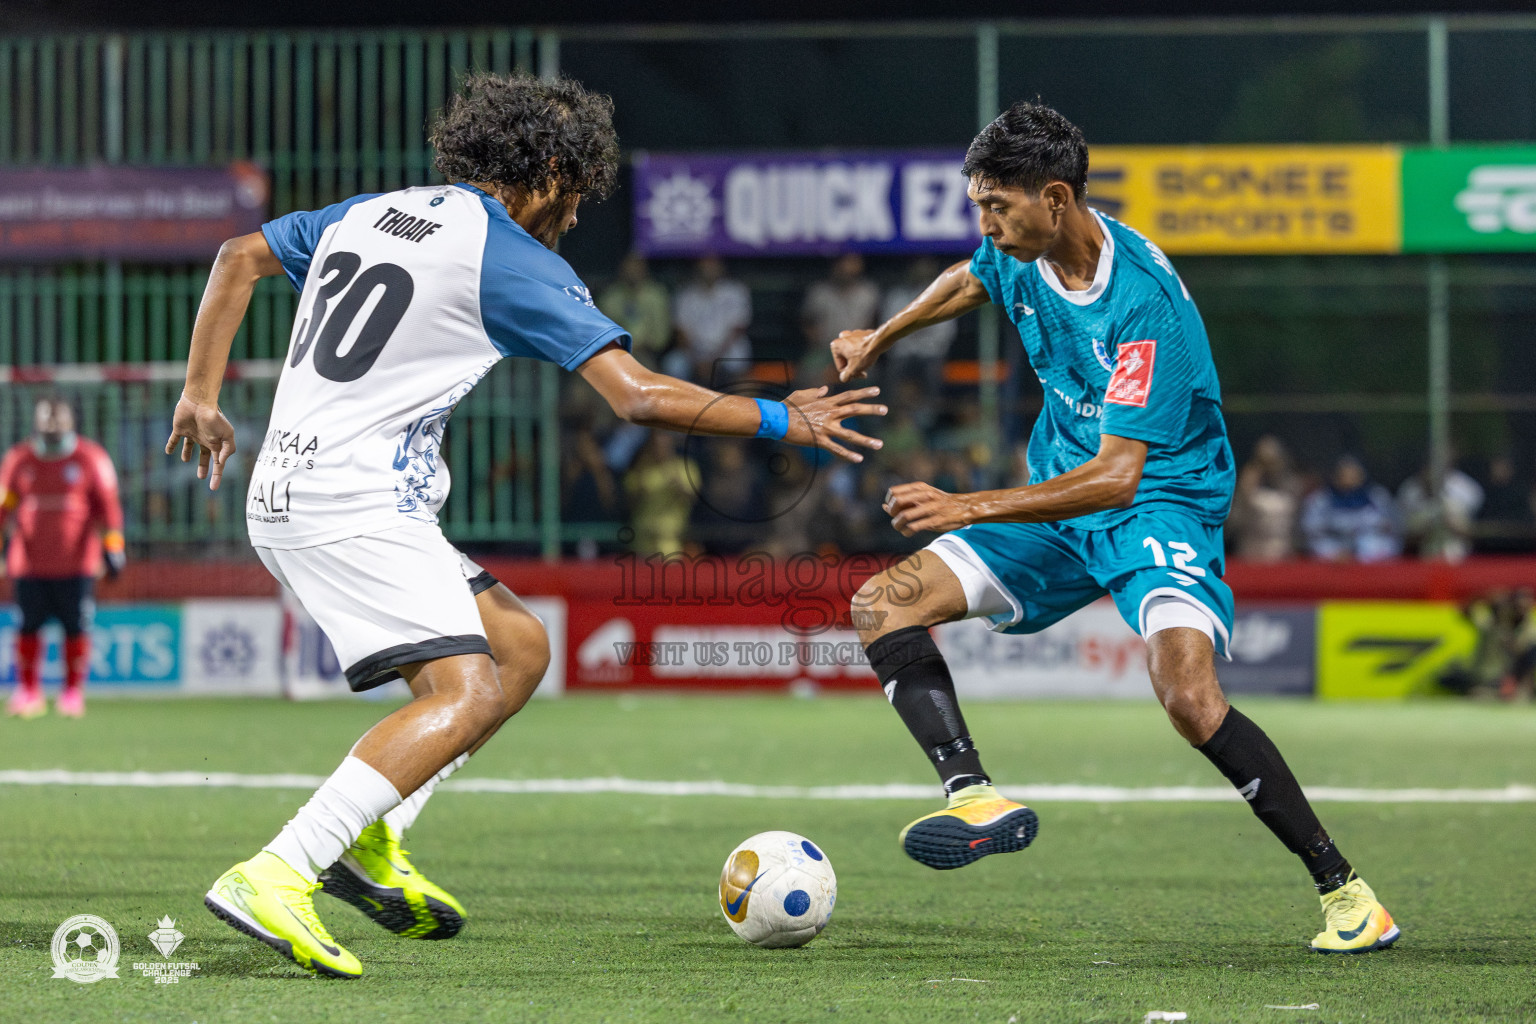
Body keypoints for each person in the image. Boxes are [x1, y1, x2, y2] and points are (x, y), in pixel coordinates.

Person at [165, 71, 886, 980]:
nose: (576, 217)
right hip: (351, 503)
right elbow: (638, 397)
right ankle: (279, 870)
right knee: (462, 694)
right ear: (547, 172)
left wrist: (200, 396)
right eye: (577, 192)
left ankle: (373, 838)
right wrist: (785, 419)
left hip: (302, 488)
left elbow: (237, 257)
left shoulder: (376, 211)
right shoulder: (508, 256)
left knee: (519, 649)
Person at [831, 101, 1397, 955]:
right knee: (883, 604)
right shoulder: (1022, 247)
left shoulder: (1141, 305)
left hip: (1157, 498)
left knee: (1188, 696)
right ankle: (973, 796)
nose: (984, 223)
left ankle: (1346, 890)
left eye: (998, 206)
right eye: (978, 204)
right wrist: (883, 333)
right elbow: (971, 275)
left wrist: (967, 505)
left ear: (1055, 198)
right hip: (1065, 489)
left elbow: (1117, 475)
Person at [0, 397, 125, 719]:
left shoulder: (90, 458)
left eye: (58, 421)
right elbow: (4, 508)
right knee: (27, 627)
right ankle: (28, 691)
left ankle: (72, 692)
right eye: (47, 422)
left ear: (71, 423)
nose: (53, 428)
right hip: (28, 564)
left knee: (76, 628)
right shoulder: (19, 460)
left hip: (78, 563)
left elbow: (108, 508)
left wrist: (113, 547)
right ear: (36, 424)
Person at [879, 258, 959, 391]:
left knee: (933, 371)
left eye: (926, 265)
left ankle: (931, 410)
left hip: (931, 355)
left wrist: (915, 335)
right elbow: (888, 331)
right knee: (893, 370)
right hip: (901, 355)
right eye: (917, 265)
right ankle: (894, 410)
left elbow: (946, 334)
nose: (921, 270)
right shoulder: (896, 296)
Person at [1301, 456, 1400, 563]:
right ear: (1335, 476)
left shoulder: (1378, 497)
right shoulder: (1320, 499)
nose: (1349, 479)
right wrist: (1335, 552)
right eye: (1344, 475)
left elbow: (1392, 530)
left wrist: (1362, 553)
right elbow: (1311, 531)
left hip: (1369, 551)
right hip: (1334, 551)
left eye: (1354, 475)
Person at [672, 255, 752, 383]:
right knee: (674, 364)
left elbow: (738, 329)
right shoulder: (686, 294)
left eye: (713, 264)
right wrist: (696, 359)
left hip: (727, 349)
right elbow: (681, 332)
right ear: (698, 266)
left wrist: (714, 359)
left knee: (739, 358)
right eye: (705, 263)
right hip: (696, 350)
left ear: (721, 266)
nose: (709, 268)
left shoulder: (735, 291)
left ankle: (736, 402)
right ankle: (681, 403)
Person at [801, 252, 880, 383]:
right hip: (824, 349)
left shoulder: (868, 292)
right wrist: (817, 340)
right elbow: (806, 321)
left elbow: (874, 324)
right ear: (835, 267)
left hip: (857, 350)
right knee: (810, 372)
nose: (847, 270)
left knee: (868, 374)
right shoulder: (819, 292)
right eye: (843, 265)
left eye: (853, 265)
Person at [1227, 434, 1303, 561]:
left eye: (1272, 460)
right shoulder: (1249, 480)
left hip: (1281, 547)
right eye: (1264, 460)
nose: (1269, 464)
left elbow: (1296, 515)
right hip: (1252, 546)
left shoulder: (1291, 482)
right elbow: (1238, 514)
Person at [1397, 455, 1484, 562]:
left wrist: (1452, 524)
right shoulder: (1412, 500)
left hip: (1458, 560)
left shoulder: (1456, 502)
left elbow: (1473, 533)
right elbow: (1405, 537)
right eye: (1428, 472)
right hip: (1423, 560)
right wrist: (1426, 527)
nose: (1432, 478)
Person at [597, 252, 671, 368]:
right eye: (629, 267)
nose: (632, 271)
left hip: (647, 353)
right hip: (616, 352)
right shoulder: (610, 297)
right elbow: (601, 332)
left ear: (645, 269)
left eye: (637, 266)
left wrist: (641, 344)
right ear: (621, 269)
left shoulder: (656, 295)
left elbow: (661, 338)